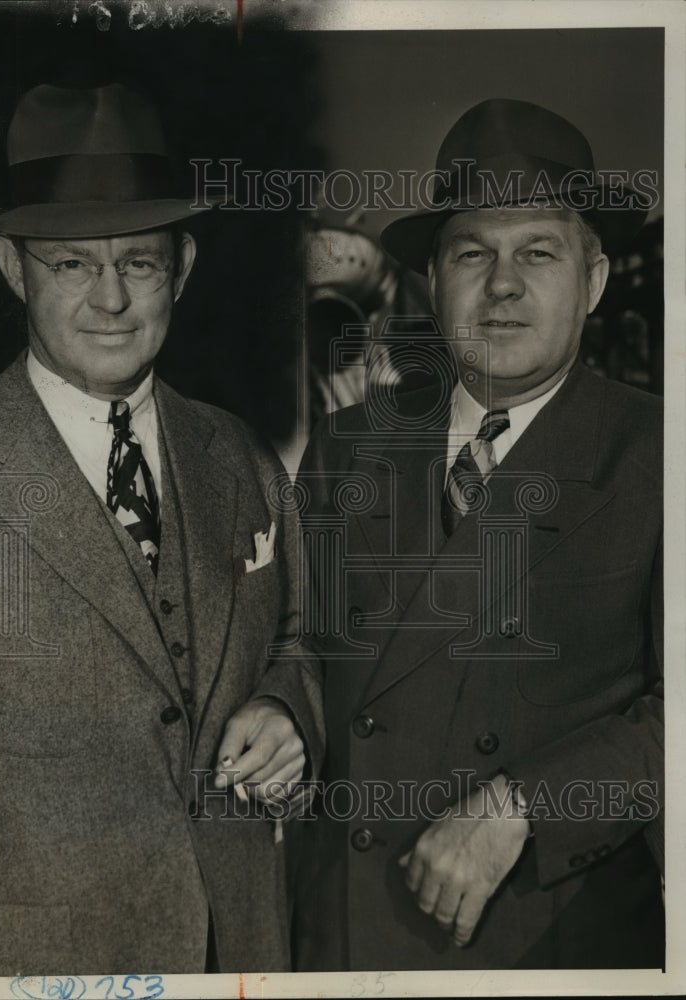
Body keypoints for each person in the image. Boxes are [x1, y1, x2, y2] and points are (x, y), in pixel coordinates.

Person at [0, 81, 322, 976]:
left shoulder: (240, 454)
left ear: (181, 268)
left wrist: (288, 708)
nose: (111, 299)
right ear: (13, 267)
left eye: (139, 264)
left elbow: (301, 640)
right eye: (73, 263)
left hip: (241, 949)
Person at [294, 99, 663, 970]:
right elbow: (295, 652)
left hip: (550, 946)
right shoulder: (348, 444)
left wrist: (527, 805)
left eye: (538, 251)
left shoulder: (659, 453)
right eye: (473, 253)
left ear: (596, 279)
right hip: (349, 944)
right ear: (431, 279)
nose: (503, 285)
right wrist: (280, 706)